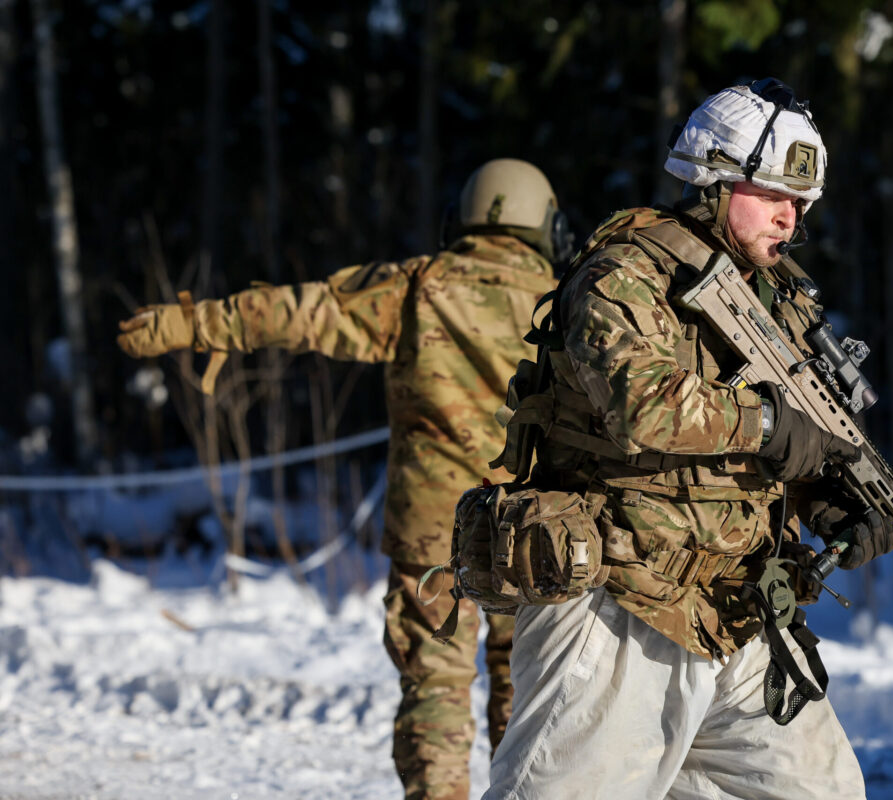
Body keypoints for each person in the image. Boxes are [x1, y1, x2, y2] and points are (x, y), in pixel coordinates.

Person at [481, 81, 893, 799]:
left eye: (800, 202)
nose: (790, 215)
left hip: (736, 613)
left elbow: (789, 434)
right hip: (620, 603)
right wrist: (771, 428)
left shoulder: (780, 298)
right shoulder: (625, 273)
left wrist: (827, 496)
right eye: (773, 194)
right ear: (715, 178)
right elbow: (641, 406)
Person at [116, 158, 570, 800]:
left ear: (461, 218)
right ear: (548, 226)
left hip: (433, 527)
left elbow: (303, 311)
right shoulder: (567, 300)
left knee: (434, 682)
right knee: (524, 684)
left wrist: (192, 324)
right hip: (531, 526)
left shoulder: (417, 287)